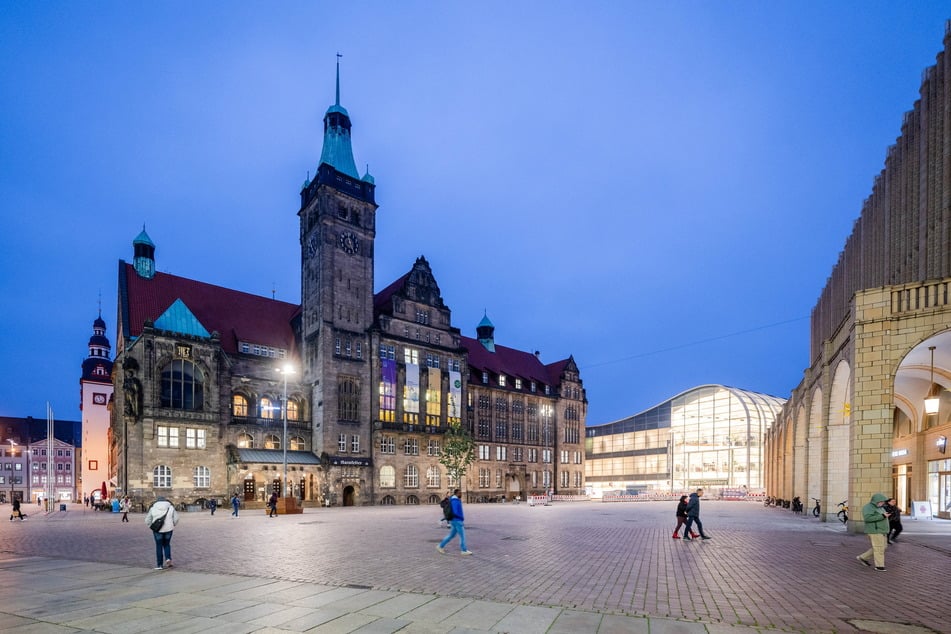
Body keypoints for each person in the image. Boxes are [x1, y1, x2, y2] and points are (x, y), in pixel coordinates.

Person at [856, 492, 890, 571]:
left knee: (883, 547)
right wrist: (882, 516)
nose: (883, 503)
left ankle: (863, 557)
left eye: (883, 502)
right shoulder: (868, 507)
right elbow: (868, 519)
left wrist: (885, 515)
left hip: (882, 530)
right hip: (874, 531)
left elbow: (881, 516)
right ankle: (879, 566)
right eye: (881, 502)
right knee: (879, 548)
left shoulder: (880, 507)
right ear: (876, 501)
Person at [144, 496, 179, 570]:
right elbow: (176, 518)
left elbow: (147, 520)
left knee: (159, 546)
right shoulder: (171, 507)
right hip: (169, 529)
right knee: (167, 544)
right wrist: (173, 524)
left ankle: (159, 565)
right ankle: (168, 558)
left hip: (157, 530)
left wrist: (151, 526)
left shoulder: (153, 508)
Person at [437, 489, 472, 555]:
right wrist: (461, 517)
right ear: (456, 494)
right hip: (457, 520)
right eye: (460, 493)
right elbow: (455, 511)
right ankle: (464, 550)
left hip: (453, 520)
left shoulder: (453, 500)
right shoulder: (455, 501)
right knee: (462, 536)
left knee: (451, 535)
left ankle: (440, 546)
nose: (461, 494)